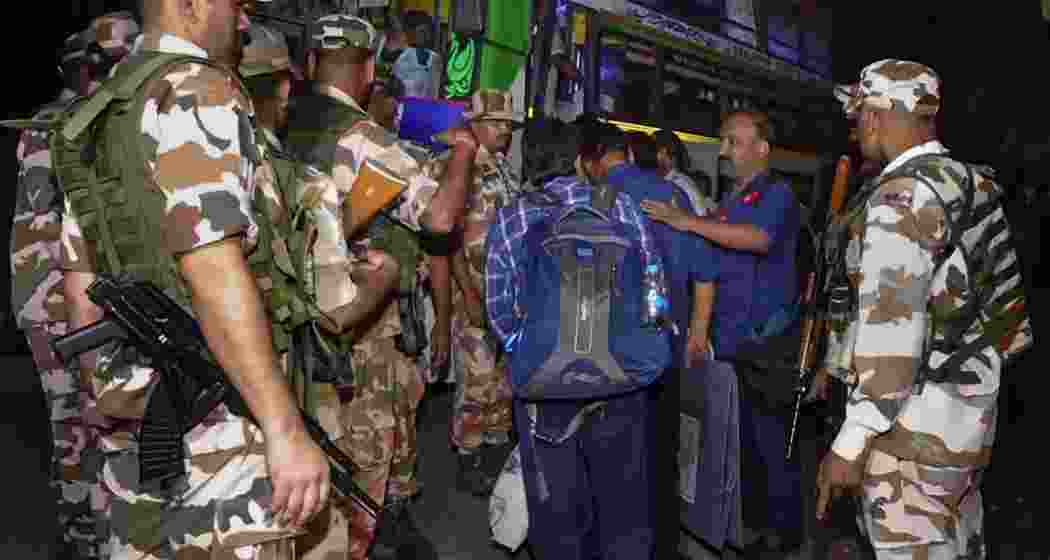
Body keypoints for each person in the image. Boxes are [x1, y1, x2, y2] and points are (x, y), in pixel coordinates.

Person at [60, 1, 334, 558]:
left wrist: (105, 394)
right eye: (235, 5)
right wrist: (282, 428)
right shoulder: (197, 90)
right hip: (220, 419)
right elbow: (211, 262)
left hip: (137, 411)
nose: (243, 21)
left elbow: (80, 273)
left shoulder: (104, 106)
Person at [283, 14, 476, 560]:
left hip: (287, 322)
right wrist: (463, 154)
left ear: (310, 63)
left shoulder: (277, 124)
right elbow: (439, 219)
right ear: (369, 70)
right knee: (359, 462)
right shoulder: (367, 140)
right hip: (353, 324)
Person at [816, 59, 1026, 560]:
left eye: (858, 114)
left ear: (875, 116)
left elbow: (891, 339)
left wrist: (851, 442)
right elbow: (1007, 320)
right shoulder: (969, 181)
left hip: (911, 432)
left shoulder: (900, 197)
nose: (855, 127)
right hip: (969, 421)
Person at [487, 118, 664, 558]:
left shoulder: (514, 216)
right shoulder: (622, 208)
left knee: (557, 517)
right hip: (622, 380)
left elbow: (499, 310)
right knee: (624, 513)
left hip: (544, 392)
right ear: (579, 161)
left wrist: (530, 347)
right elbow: (655, 295)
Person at [642, 110, 805, 554]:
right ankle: (757, 528)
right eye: (724, 141)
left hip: (767, 342)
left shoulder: (777, 194)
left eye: (734, 141)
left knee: (771, 443)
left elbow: (758, 239)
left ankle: (784, 536)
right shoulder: (736, 197)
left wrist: (687, 221)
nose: (724, 150)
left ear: (762, 149)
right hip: (736, 339)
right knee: (745, 442)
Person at [8, 13, 139, 559]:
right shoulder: (69, 124)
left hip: (53, 296)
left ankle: (87, 530)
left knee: (80, 423)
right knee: (87, 424)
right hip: (63, 298)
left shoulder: (57, 120)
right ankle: (90, 537)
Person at [574, 120, 719, 556]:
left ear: (591, 161)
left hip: (612, 354)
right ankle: (664, 547)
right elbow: (705, 272)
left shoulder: (595, 199)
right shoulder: (672, 195)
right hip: (667, 347)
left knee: (612, 459)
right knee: (663, 452)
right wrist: (697, 333)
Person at [427, 89, 523, 497]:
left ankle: (494, 449)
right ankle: (468, 455)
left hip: (505, 295)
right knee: (477, 379)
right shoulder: (454, 167)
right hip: (475, 291)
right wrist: (468, 294)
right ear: (474, 124)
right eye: (497, 122)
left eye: (508, 125)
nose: (505, 131)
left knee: (501, 380)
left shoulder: (504, 171)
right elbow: (446, 238)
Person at [652, 129, 715, 215]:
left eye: (652, 150)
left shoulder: (683, 184)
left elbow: (702, 216)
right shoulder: (655, 180)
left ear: (664, 151)